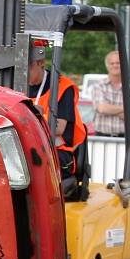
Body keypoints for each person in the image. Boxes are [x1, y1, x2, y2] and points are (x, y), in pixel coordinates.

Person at [27, 42, 86, 178]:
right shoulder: (13, 83)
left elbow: (58, 128)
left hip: (57, 150)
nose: (23, 73)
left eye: (27, 67)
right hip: (28, 147)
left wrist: (33, 116)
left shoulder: (63, 87)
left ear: (41, 62)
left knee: (32, 163)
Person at [92, 50, 125, 137]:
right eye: (112, 63)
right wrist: (125, 108)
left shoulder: (128, 88)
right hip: (102, 138)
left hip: (125, 139)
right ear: (107, 66)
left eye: (118, 63)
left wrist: (109, 109)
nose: (115, 65)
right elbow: (102, 108)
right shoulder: (98, 86)